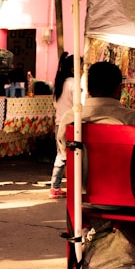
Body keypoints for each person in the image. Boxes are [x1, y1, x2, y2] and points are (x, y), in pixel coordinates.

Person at [58, 61, 135, 214]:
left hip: (83, 196)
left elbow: (67, 163)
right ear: (119, 89)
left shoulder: (71, 118)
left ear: (89, 89)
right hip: (130, 199)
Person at [49, 52, 76, 199]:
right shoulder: (74, 84)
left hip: (59, 122)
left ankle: (56, 187)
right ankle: (56, 187)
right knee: (64, 156)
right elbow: (79, 105)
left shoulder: (60, 83)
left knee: (61, 155)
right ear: (74, 69)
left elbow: (55, 104)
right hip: (70, 124)